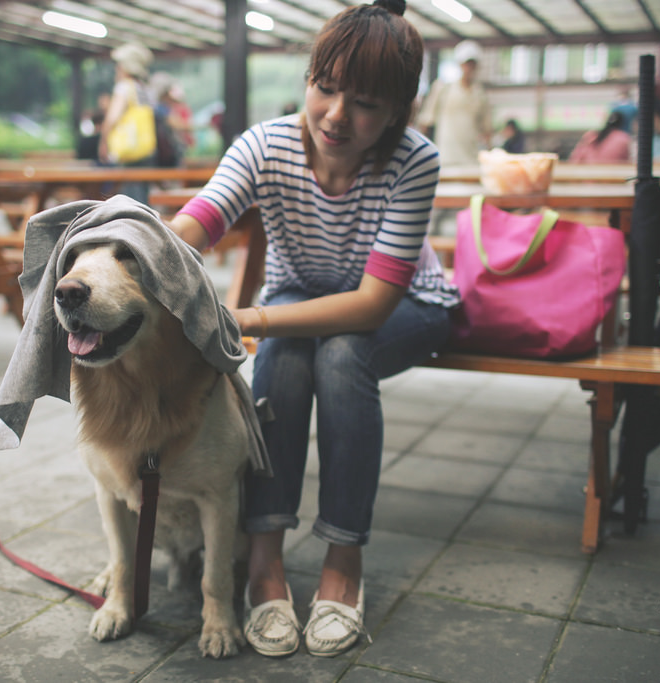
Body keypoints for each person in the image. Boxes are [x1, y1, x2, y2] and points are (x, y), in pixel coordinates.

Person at [169, 0, 458, 659]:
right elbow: (200, 222)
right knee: (290, 360)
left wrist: (252, 319)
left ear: (395, 112)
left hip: (407, 302)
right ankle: (266, 560)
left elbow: (370, 306)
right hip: (305, 292)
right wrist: (132, 247)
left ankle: (343, 560)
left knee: (340, 354)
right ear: (307, 80)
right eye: (324, 88)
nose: (335, 115)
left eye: (363, 103)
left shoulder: (414, 160)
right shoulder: (265, 145)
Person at [415, 39, 491, 167]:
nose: (469, 68)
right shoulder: (443, 88)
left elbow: (487, 131)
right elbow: (426, 122)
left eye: (472, 64)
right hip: (446, 159)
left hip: (471, 161)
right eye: (466, 63)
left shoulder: (480, 94)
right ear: (460, 64)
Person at [98, 43, 155, 203]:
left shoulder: (124, 87)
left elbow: (112, 118)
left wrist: (103, 142)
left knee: (130, 200)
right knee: (142, 196)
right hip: (146, 150)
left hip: (129, 151)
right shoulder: (144, 89)